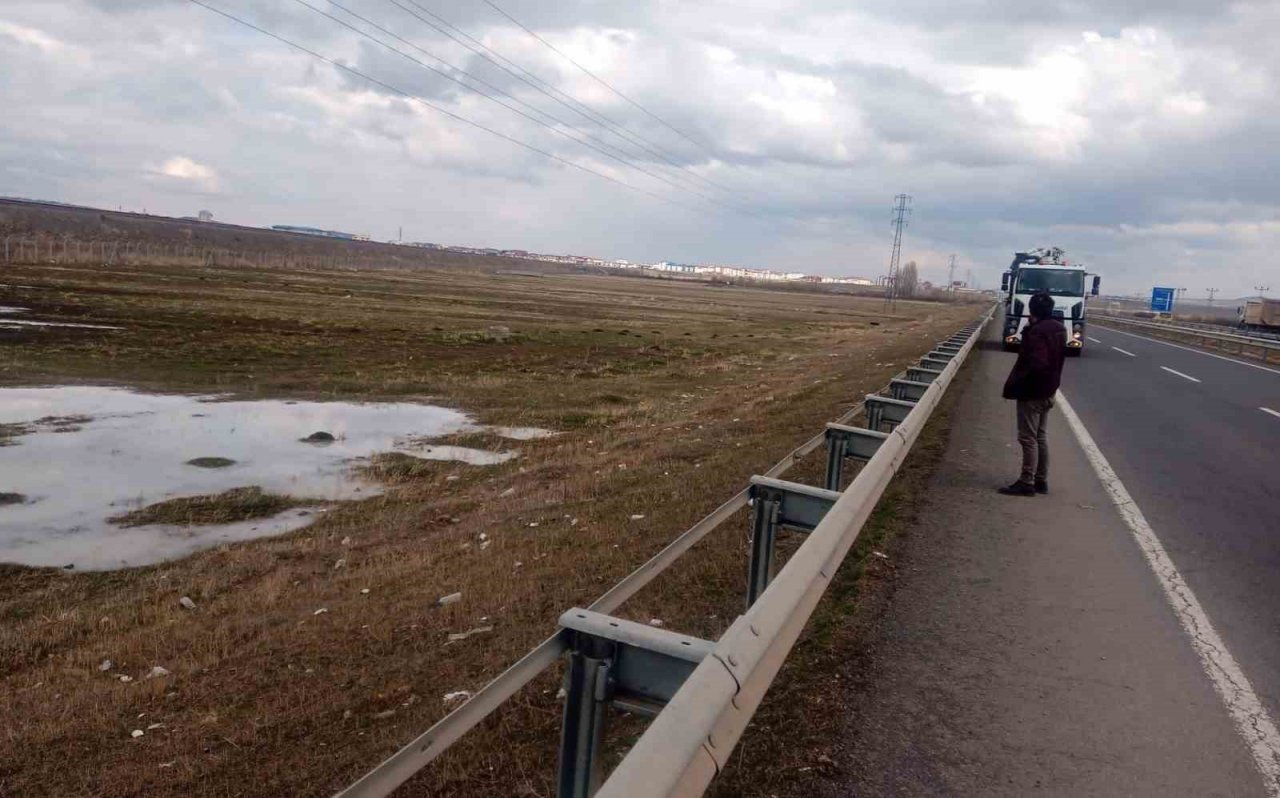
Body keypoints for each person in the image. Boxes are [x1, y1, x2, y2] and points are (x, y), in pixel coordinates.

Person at [999, 291, 1066, 496]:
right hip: (1050, 389)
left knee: (1027, 438)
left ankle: (1026, 482)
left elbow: (1037, 362)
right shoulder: (1060, 329)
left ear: (1032, 310)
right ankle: (1041, 480)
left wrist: (1019, 382)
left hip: (1033, 392)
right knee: (1040, 437)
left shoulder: (1036, 332)